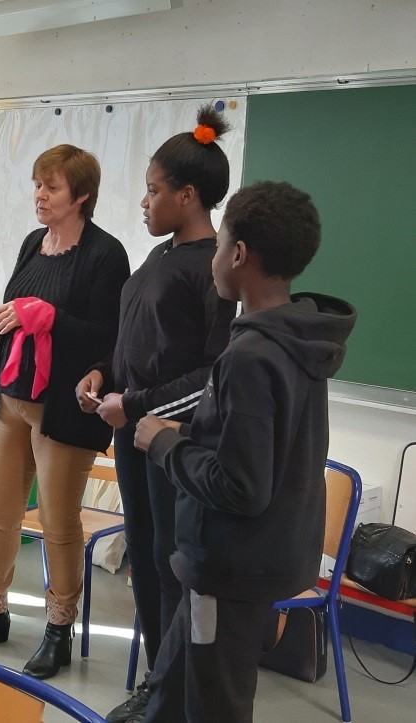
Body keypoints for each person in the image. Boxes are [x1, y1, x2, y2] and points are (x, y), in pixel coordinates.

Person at [131, 181, 356, 722]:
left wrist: (164, 442)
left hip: (230, 568)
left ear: (237, 254)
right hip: (249, 559)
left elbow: (242, 486)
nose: (211, 258)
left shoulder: (250, 357)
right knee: (171, 686)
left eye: (217, 245)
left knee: (216, 703)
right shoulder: (296, 337)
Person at [75, 106, 238, 721]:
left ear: (187, 195)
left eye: (153, 190)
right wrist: (104, 376)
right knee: (143, 556)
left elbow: (212, 377)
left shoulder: (216, 269)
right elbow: (139, 343)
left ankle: (172, 695)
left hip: (176, 445)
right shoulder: (161, 257)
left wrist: (134, 406)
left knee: (173, 563)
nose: (143, 202)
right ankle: (156, 684)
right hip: (134, 433)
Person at [0, 145, 130, 680]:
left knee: (56, 522)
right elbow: (22, 313)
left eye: (51, 187)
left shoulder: (104, 255)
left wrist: (52, 319)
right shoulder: (33, 243)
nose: (39, 196)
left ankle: (58, 628)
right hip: (10, 399)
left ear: (82, 196)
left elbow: (109, 337)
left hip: (63, 409)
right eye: (37, 185)